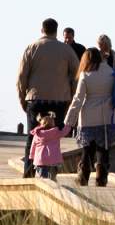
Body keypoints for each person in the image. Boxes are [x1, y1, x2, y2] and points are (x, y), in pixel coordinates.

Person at [17, 18, 79, 178]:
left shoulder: (32, 48)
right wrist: (70, 97)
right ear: (56, 31)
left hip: (35, 99)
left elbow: (21, 77)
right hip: (59, 101)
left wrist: (23, 99)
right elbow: (76, 76)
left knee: (32, 137)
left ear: (42, 29)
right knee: (53, 139)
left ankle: (29, 175)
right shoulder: (66, 50)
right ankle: (51, 175)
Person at [64, 47, 115, 187]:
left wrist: (68, 121)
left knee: (87, 150)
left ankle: (83, 177)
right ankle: (101, 178)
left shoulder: (86, 75)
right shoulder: (111, 73)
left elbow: (78, 100)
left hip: (89, 118)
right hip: (109, 117)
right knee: (104, 150)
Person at [29, 112, 71, 181]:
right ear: (53, 124)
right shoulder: (56, 133)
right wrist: (69, 125)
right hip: (54, 159)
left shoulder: (37, 134)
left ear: (41, 124)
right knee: (52, 179)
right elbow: (65, 131)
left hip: (40, 160)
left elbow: (33, 146)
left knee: (43, 180)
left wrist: (31, 156)